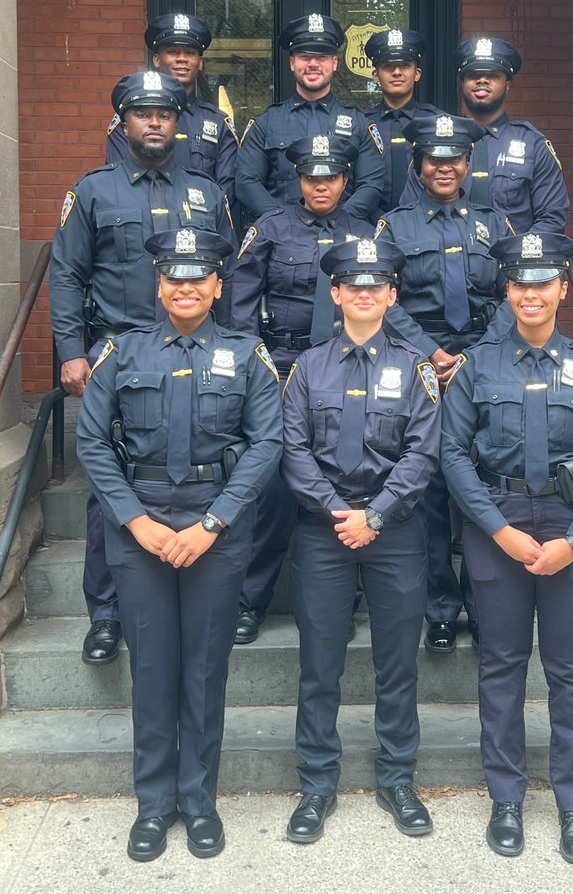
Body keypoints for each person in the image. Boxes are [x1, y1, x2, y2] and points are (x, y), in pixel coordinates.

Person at [76, 228, 283, 863]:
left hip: (213, 531)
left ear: (218, 286)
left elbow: (266, 446)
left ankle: (198, 802)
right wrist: (137, 523)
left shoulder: (250, 356)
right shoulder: (119, 351)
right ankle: (153, 804)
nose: (186, 288)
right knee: (153, 668)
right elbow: (92, 446)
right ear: (158, 284)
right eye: (174, 278)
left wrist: (212, 523)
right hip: (139, 530)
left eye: (198, 278)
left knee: (202, 670)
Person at [440, 232, 573, 865]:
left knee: (572, 670)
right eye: (520, 282)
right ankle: (507, 798)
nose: (531, 293)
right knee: (501, 664)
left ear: (559, 290)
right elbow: (453, 454)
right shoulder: (478, 368)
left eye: (543, 282)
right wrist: (499, 530)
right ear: (508, 290)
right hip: (500, 524)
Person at [50, 70, 238, 666]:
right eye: (142, 113)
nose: (155, 122)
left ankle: (195, 597)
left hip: (195, 351)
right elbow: (66, 273)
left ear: (178, 123)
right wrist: (71, 350)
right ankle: (106, 615)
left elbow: (224, 278)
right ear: (123, 122)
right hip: (117, 353)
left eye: (165, 113)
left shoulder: (207, 193)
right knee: (109, 485)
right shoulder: (95, 191)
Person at [281, 237, 441, 844]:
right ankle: (317, 784)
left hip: (395, 533)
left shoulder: (416, 370)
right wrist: (336, 512)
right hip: (323, 536)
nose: (366, 293)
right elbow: (292, 451)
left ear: (392, 295)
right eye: (354, 284)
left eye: (377, 285)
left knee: (397, 664)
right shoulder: (306, 368)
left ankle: (398, 778)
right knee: (318, 666)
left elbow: (424, 451)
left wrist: (373, 515)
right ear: (337, 293)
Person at [375, 114, 513, 654]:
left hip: (483, 362)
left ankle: (483, 606)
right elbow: (384, 298)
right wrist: (431, 353)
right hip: (420, 364)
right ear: (418, 165)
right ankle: (440, 608)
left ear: (467, 165)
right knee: (429, 492)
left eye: (454, 159)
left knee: (481, 482)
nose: (445, 167)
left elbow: (512, 294)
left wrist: (474, 356)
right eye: (434, 159)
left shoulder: (494, 223)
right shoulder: (394, 226)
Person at [229, 134, 375, 643]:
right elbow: (241, 301)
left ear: (345, 180)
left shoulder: (363, 234)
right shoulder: (270, 228)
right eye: (311, 177)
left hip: (348, 367)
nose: (320, 185)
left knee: (347, 473)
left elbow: (378, 304)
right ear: (298, 180)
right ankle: (251, 599)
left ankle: (345, 601)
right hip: (282, 366)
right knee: (271, 487)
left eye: (330, 177)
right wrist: (257, 366)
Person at [235, 14, 385, 222]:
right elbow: (247, 182)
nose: (313, 64)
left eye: (322, 56)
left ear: (334, 63)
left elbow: (371, 185)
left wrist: (339, 223)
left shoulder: (359, 123)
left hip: (343, 242)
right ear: (292, 63)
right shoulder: (265, 123)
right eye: (305, 56)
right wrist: (281, 225)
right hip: (281, 242)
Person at [105, 13, 238, 201]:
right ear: (157, 60)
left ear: (200, 63)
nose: (181, 59)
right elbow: (120, 181)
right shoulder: (128, 118)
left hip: (203, 225)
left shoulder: (218, 122)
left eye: (190, 53)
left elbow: (226, 190)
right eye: (173, 52)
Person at [455, 36, 569, 233]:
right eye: (473, 75)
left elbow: (552, 217)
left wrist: (516, 256)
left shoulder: (533, 145)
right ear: (462, 82)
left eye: (492, 75)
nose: (482, 80)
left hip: (513, 260)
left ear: (507, 85)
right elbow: (416, 214)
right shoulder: (438, 141)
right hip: (451, 260)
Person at [363, 28, 441, 210]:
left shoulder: (435, 122)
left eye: (405, 65)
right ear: (376, 75)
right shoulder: (362, 124)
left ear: (417, 74)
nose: (397, 72)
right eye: (388, 66)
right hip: (370, 226)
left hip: (425, 225)